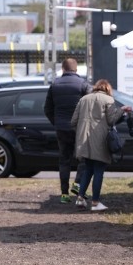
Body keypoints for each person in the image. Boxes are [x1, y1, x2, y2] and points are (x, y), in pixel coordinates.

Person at [71, 79, 132, 212]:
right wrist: (121, 110)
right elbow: (111, 120)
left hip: (83, 140)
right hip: (100, 140)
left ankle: (80, 199)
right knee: (98, 170)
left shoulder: (83, 99)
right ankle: (95, 202)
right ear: (108, 89)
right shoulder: (108, 100)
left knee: (88, 169)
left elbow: (73, 121)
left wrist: (81, 131)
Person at [44, 58, 91, 204]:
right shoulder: (83, 85)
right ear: (76, 70)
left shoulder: (54, 85)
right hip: (79, 128)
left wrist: (57, 122)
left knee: (64, 160)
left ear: (63, 69)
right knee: (84, 158)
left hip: (61, 128)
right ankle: (77, 184)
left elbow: (47, 109)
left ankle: (64, 194)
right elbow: (90, 106)